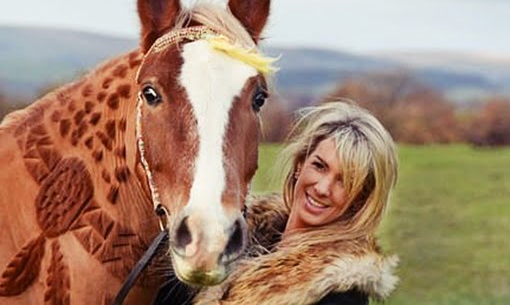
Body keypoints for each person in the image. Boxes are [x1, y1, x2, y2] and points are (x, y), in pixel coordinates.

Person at [155, 101, 400, 304]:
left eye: (345, 181)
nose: (323, 188)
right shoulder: (237, 236)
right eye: (319, 166)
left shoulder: (339, 294)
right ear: (299, 166)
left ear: (360, 199)